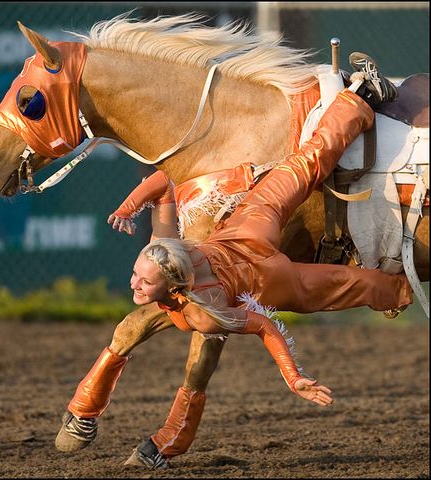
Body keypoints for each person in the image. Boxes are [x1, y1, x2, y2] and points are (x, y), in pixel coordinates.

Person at [55, 53, 411, 467]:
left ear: (172, 288)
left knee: (352, 278)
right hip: (251, 241)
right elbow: (168, 185)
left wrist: (292, 376)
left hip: (260, 261)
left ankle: (400, 285)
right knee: (307, 170)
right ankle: (358, 101)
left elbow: (261, 323)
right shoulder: (178, 262)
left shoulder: (198, 305)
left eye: (141, 281)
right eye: (137, 275)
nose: (133, 284)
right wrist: (129, 206)